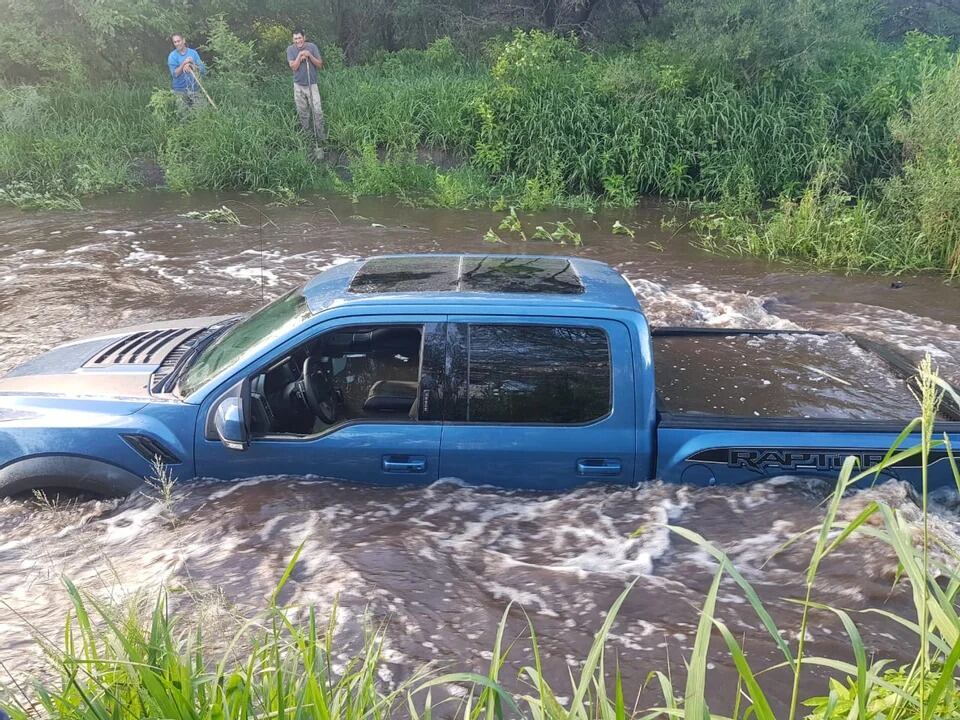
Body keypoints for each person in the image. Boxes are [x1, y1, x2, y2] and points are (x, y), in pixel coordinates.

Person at [286, 29, 327, 143]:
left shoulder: (312, 47)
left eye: (299, 38)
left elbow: (319, 65)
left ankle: (321, 137)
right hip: (298, 86)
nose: (298, 41)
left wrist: (309, 55)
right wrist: (299, 56)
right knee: (303, 113)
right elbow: (293, 67)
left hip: (312, 85)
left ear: (304, 37)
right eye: (295, 38)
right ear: (292, 39)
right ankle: (307, 137)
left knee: (317, 111)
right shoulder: (290, 49)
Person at [167, 33, 207, 111]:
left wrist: (192, 64)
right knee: (183, 116)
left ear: (184, 40)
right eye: (175, 42)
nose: (177, 43)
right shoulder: (172, 56)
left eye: (178, 41)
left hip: (194, 88)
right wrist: (184, 64)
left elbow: (203, 70)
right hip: (180, 90)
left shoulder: (193, 53)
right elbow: (175, 74)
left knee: (203, 111)